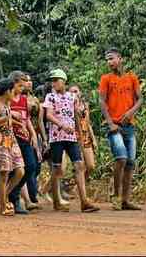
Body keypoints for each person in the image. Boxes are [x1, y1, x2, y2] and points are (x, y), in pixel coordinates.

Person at [43, 69, 99, 213]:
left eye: (56, 80)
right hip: (56, 137)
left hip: (71, 137)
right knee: (57, 169)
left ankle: (84, 201)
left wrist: (79, 135)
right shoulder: (50, 97)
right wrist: (61, 125)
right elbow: (48, 115)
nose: (54, 83)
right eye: (52, 80)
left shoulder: (71, 97)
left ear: (64, 81)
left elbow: (76, 117)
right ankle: (56, 201)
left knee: (79, 165)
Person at [99, 48, 142, 211]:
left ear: (120, 58)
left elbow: (140, 99)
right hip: (114, 126)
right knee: (121, 159)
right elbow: (102, 102)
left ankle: (125, 199)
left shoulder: (132, 77)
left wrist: (131, 111)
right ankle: (115, 196)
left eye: (111, 58)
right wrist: (110, 123)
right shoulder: (106, 79)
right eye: (107, 60)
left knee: (130, 163)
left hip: (129, 125)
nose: (109, 62)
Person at [0, 78, 25, 217]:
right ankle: (3, 206)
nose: (14, 93)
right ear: (7, 91)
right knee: (4, 174)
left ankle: (2, 196)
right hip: (1, 141)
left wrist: (19, 124)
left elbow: (8, 118)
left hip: (11, 140)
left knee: (20, 171)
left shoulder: (6, 104)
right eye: (12, 90)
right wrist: (7, 117)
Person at [8, 71, 39, 214]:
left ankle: (13, 192)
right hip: (10, 137)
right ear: (13, 84)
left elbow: (26, 120)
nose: (23, 88)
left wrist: (33, 135)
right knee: (15, 169)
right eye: (20, 85)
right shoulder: (6, 98)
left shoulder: (24, 100)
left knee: (31, 166)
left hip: (24, 136)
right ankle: (13, 199)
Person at [69, 84, 97, 179]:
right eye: (71, 92)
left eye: (76, 91)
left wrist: (93, 139)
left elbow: (88, 123)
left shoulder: (85, 105)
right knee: (80, 166)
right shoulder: (68, 106)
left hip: (86, 137)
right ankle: (78, 188)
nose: (74, 94)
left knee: (91, 166)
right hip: (75, 138)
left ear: (80, 92)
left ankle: (78, 184)